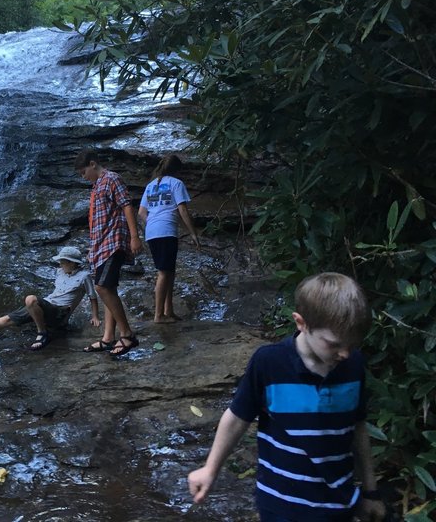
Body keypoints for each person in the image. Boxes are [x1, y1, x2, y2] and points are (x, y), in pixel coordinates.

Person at [187, 273, 387, 522]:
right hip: (281, 506)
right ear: (301, 323)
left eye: (352, 344)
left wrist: (370, 491)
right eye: (334, 344)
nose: (345, 353)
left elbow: (358, 429)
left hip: (338, 504)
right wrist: (210, 469)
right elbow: (237, 418)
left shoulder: (353, 366)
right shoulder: (269, 363)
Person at [0, 246, 100, 351]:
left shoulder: (84, 276)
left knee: (30, 299)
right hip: (47, 305)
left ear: (73, 263)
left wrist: (94, 316)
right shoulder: (59, 272)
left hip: (60, 312)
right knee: (9, 318)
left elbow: (92, 296)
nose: (60, 264)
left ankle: (42, 333)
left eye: (63, 262)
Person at [74, 149, 143, 357]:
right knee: (108, 288)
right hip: (100, 245)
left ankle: (127, 335)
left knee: (102, 287)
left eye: (83, 171)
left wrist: (134, 237)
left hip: (113, 243)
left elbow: (127, 207)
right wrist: (92, 247)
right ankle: (108, 338)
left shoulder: (112, 179)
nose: (83, 176)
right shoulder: (96, 187)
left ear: (93, 164)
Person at [138, 154, 200, 324]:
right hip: (166, 231)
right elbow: (183, 210)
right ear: (176, 170)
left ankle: (168, 311)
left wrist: (154, 222)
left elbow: (141, 213)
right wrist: (193, 233)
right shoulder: (176, 183)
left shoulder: (151, 186)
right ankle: (158, 315)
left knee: (169, 271)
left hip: (152, 232)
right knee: (164, 273)